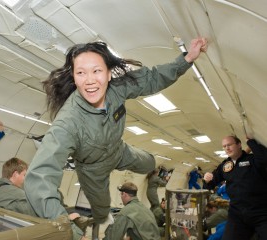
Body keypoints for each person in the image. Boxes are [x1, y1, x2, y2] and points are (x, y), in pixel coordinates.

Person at [24, 38, 208, 226]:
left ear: (109, 73)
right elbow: (40, 177)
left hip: (119, 151)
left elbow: (152, 78)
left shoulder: (116, 90)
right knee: (102, 211)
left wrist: (187, 59)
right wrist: (63, 224)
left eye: (97, 71)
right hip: (93, 171)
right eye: (81, 73)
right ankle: (104, 221)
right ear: (74, 77)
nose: (90, 80)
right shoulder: (67, 123)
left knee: (150, 162)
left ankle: (147, 164)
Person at [203, 135, 267, 240]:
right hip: (237, 214)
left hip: (261, 211)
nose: (226, 148)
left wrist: (251, 142)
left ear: (239, 144)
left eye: (229, 145)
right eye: (224, 146)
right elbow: (209, 185)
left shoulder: (252, 159)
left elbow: (264, 158)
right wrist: (206, 179)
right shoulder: (225, 166)